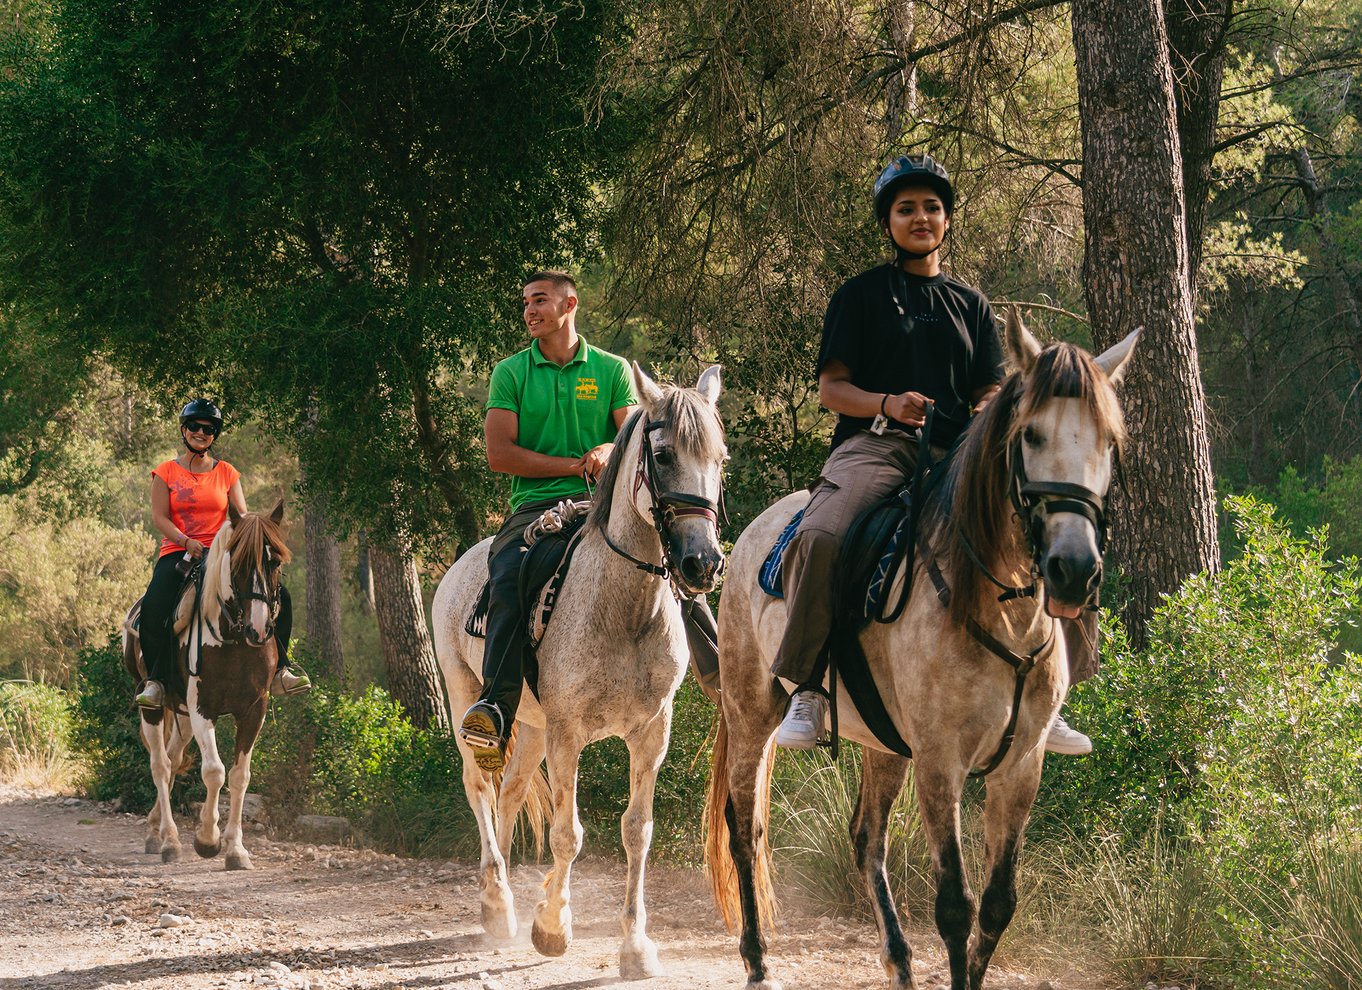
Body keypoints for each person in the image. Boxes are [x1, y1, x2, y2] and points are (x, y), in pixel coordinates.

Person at [771, 153, 1092, 756]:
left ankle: (1056, 694)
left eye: (932, 208)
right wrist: (888, 403)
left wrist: (989, 407)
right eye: (906, 208)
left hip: (960, 455)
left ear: (947, 220)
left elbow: (989, 386)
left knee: (1064, 524)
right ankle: (808, 688)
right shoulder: (860, 295)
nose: (921, 217)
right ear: (888, 222)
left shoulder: (971, 303)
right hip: (876, 446)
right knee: (822, 537)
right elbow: (831, 389)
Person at [458, 271, 639, 772]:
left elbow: (631, 437)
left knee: (672, 559)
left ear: (569, 304)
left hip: (606, 505)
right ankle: (496, 706)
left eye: (539, 300)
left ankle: (714, 666)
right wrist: (575, 465)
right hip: (535, 508)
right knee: (510, 572)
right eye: (525, 303)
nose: (529, 311)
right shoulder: (511, 373)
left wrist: (607, 448)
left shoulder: (612, 369)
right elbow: (500, 455)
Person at [133, 399, 310, 709]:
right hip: (180, 553)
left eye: (209, 428)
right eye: (195, 427)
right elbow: (160, 517)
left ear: (214, 435)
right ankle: (156, 681)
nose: (201, 432)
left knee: (282, 595)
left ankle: (281, 669)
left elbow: (240, 514)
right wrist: (185, 541)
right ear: (184, 429)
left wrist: (243, 541)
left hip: (222, 554)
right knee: (154, 605)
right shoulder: (165, 472)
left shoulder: (227, 473)